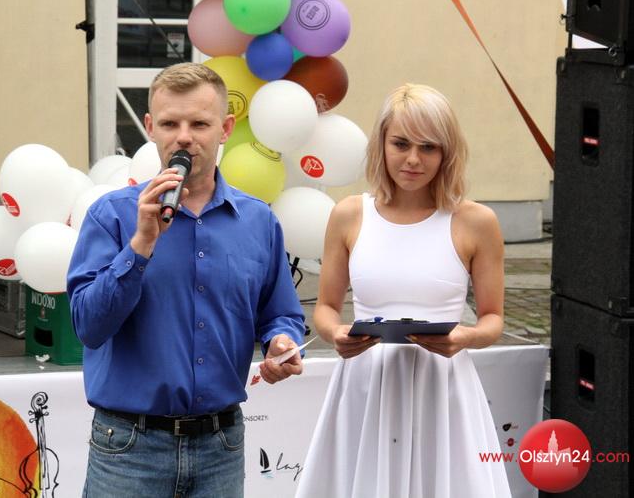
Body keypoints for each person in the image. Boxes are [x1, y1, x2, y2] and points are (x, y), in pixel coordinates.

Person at [67, 62, 305, 498]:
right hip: (130, 448)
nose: (183, 137)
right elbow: (89, 326)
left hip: (221, 446)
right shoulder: (111, 216)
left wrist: (281, 341)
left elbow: (280, 313)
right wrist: (141, 244)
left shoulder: (258, 221)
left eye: (199, 123)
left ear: (225, 128)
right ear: (149, 128)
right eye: (169, 124)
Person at [295, 84, 511, 498]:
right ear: (381, 144)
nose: (413, 159)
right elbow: (325, 307)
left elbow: (493, 319)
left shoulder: (476, 221)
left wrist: (464, 337)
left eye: (428, 147)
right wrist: (336, 333)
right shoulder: (349, 214)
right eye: (401, 144)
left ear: (447, 152)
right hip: (365, 387)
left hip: (442, 388)